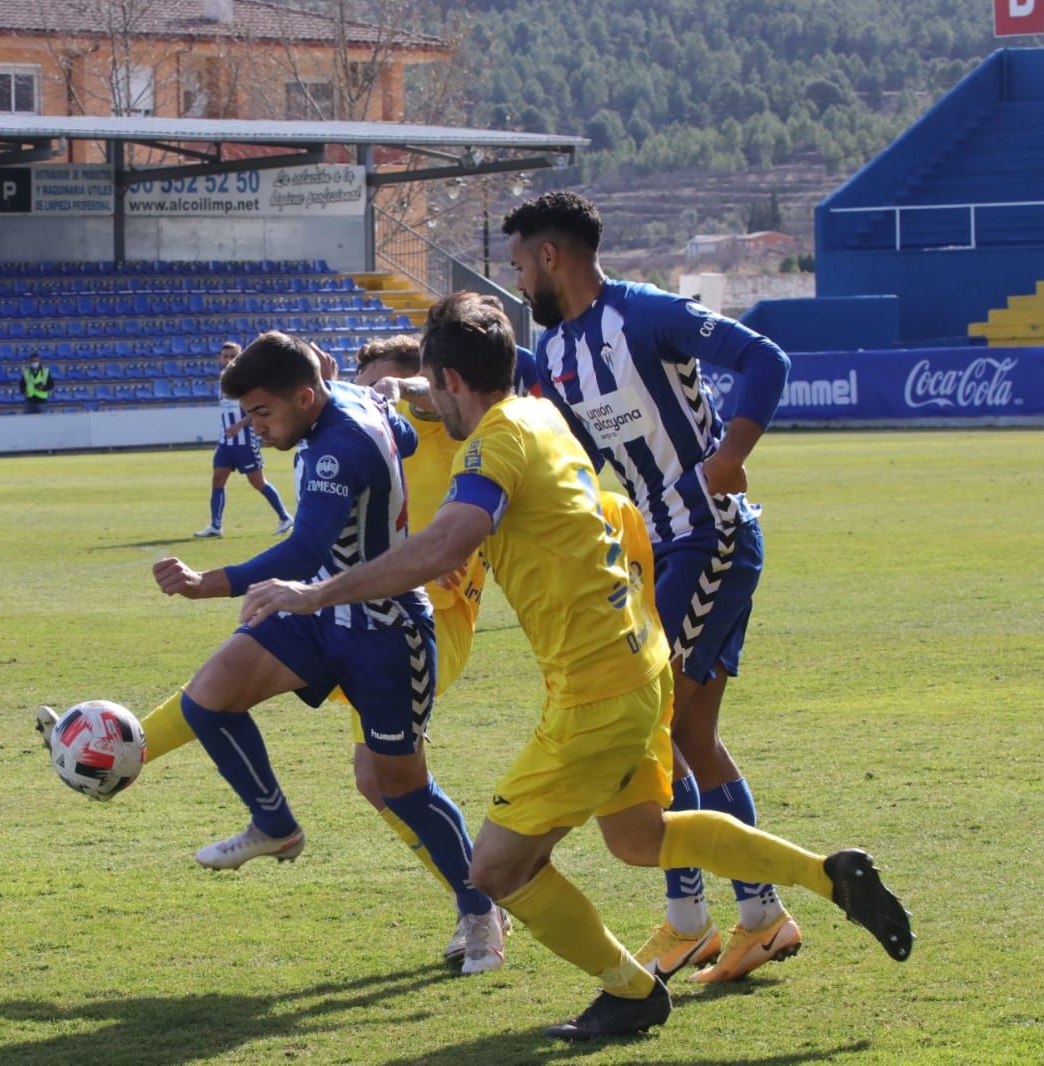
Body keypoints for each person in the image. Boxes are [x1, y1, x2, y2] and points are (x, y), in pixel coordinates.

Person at [241, 292, 912, 1040]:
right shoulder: (540, 416)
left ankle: (629, 993)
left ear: (452, 381)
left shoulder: (492, 444)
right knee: (637, 840)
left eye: (434, 386)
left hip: (592, 691)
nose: (432, 402)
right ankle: (830, 876)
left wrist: (317, 592)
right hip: (638, 661)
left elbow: (443, 546)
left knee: (493, 872)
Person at [54, 330, 508, 973]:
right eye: (247, 415)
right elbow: (404, 440)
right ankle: (275, 825)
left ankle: (479, 906)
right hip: (319, 610)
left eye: (262, 414)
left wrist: (203, 582)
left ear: (303, 395)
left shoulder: (337, 446)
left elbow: (300, 550)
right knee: (211, 695)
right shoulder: (347, 403)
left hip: (384, 628)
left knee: (400, 790)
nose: (254, 429)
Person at [503, 191, 799, 984]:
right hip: (660, 547)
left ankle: (699, 919)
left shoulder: (645, 315)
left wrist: (728, 455)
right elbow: (578, 460)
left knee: (655, 731)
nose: (517, 276)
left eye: (520, 262)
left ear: (550, 257)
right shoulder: (560, 350)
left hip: (710, 537)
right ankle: (746, 918)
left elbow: (764, 359)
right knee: (690, 737)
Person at [193, 341, 294, 539]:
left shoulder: (247, 383)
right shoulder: (222, 382)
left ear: (240, 358)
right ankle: (215, 526)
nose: (228, 360)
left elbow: (256, 410)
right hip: (226, 443)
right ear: (220, 359)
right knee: (218, 480)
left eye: (233, 356)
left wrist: (239, 426)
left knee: (258, 483)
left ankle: (285, 517)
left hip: (244, 442)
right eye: (225, 356)